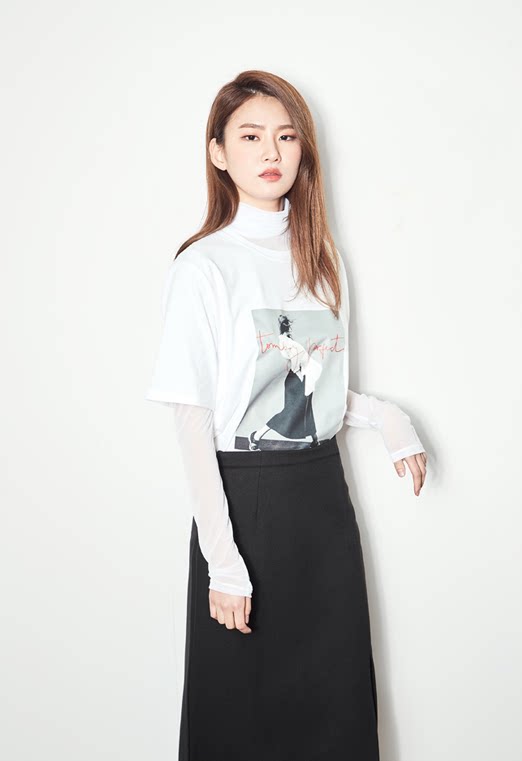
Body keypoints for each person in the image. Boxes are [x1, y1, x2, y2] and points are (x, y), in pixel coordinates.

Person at [145, 69, 427, 761]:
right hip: (245, 504)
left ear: (304, 150)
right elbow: (193, 420)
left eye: (286, 135)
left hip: (322, 500)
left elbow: (312, 393)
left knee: (334, 711)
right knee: (237, 715)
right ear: (218, 153)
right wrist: (223, 561)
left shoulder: (322, 260)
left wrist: (388, 419)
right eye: (250, 136)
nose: (271, 151)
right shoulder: (204, 266)